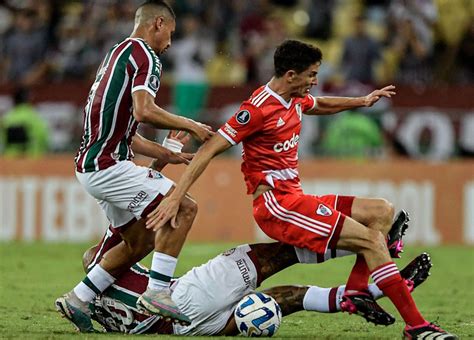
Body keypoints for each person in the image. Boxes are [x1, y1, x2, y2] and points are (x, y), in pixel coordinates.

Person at [148, 39, 457, 339]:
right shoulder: (256, 109)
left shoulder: (294, 97)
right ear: (291, 75)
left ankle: (356, 291)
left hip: (295, 197)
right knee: (374, 240)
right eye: (312, 74)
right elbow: (209, 149)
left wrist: (361, 102)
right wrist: (176, 196)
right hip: (275, 206)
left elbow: (319, 104)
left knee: (381, 212)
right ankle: (416, 326)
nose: (315, 81)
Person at [55, 0, 214, 332]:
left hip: (90, 165)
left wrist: (165, 153)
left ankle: (78, 298)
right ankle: (157, 291)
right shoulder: (146, 55)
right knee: (183, 207)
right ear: (158, 23)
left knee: (139, 241)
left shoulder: (117, 54)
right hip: (108, 166)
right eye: (170, 33)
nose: (170, 43)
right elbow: (144, 110)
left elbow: (127, 130)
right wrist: (191, 124)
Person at [80, 224, 432, 335]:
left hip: (187, 330)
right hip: (186, 298)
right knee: (276, 255)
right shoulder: (104, 266)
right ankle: (374, 247)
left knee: (285, 299)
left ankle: (366, 292)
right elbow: (126, 239)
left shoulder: (100, 304)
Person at [0, 87, 49, 157]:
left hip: (10, 162)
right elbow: (45, 140)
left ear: (14, 100)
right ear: (28, 100)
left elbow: (2, 141)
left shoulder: (6, 119)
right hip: (33, 162)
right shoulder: (36, 118)